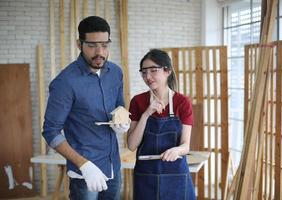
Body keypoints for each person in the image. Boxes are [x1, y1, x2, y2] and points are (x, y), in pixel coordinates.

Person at [42, 16, 130, 200]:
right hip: (85, 172)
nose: (100, 52)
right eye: (92, 45)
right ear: (79, 44)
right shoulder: (65, 82)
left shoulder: (115, 72)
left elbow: (120, 106)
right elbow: (51, 132)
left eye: (105, 45)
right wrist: (83, 165)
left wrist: (122, 121)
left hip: (113, 164)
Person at [127, 49, 196, 200]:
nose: (147, 76)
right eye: (144, 72)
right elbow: (132, 145)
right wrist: (146, 114)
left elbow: (186, 146)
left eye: (153, 70)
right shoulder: (138, 102)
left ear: (167, 71)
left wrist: (177, 151)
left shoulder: (182, 102)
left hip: (176, 175)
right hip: (146, 176)